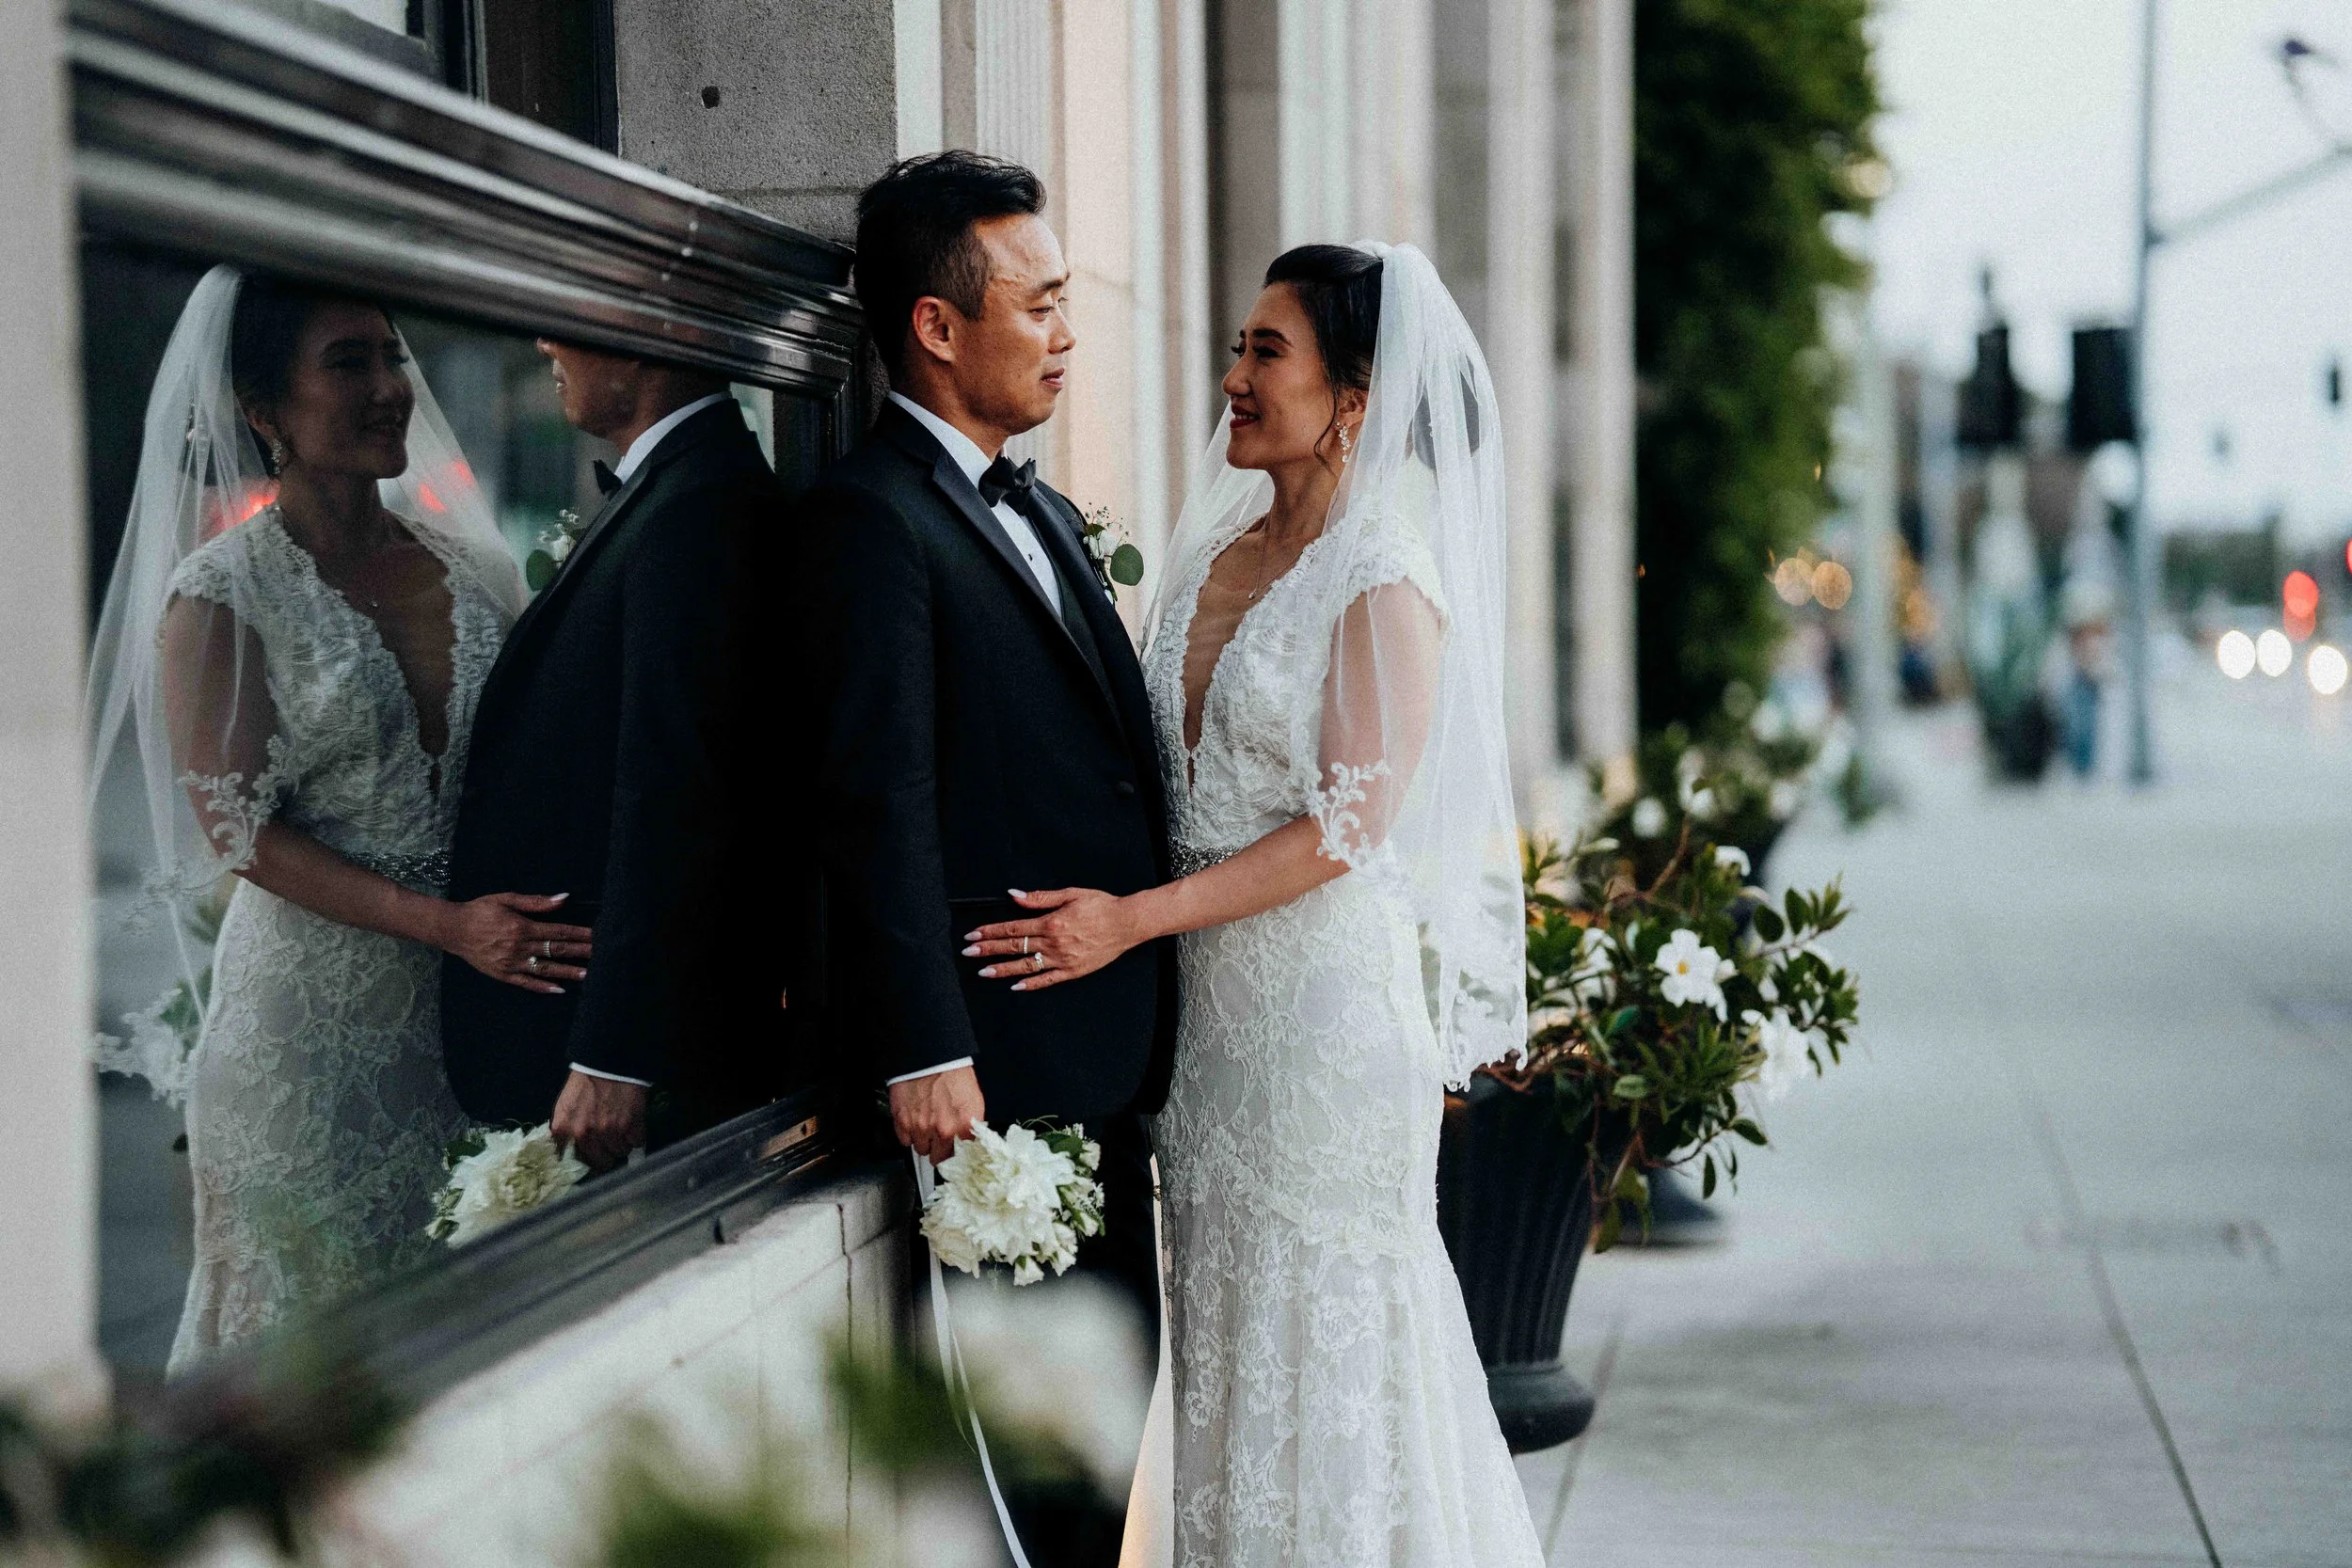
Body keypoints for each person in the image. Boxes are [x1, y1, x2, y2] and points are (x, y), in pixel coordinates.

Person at [963, 243, 1543, 1566]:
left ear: (1352, 395)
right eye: (1235, 346)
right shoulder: (1223, 540)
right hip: (1209, 1050)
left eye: (1263, 353)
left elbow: (1346, 828)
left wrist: (1130, 918)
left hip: (1322, 1038)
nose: (1230, 377)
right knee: (1225, 1355)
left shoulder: (1385, 571)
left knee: (1327, 1348)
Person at [799, 150, 1173, 1568]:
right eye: (1046, 303)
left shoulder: (1037, 505)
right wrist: (924, 1051)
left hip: (1100, 1063)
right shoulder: (870, 516)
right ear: (938, 328)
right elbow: (874, 798)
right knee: (1029, 1490)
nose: (1070, 333)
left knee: (1095, 1453)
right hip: (991, 1089)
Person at [87, 267, 559, 1370]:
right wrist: (447, 925)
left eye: (393, 356)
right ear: (263, 411)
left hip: (475, 1034)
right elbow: (238, 835)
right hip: (307, 1054)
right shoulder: (222, 596)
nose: (391, 386)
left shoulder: (477, 569)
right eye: (349, 362)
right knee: (312, 1377)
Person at [440, 340, 793, 1165]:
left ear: (639, 344)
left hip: (631, 1062)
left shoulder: (696, 508)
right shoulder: (681, 490)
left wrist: (614, 1055)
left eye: (568, 316)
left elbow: (677, 797)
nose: (542, 342)